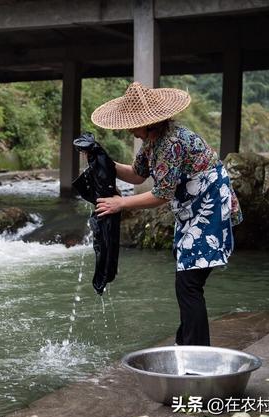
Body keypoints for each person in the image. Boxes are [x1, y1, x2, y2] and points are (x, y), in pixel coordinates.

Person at [90, 81, 242, 346]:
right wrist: (105, 162)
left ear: (149, 122)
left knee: (189, 284)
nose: (128, 129)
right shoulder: (152, 141)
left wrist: (120, 204)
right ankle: (188, 344)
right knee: (187, 283)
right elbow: (138, 176)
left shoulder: (170, 143)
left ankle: (195, 351)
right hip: (191, 210)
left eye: (132, 123)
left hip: (210, 208)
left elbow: (162, 194)